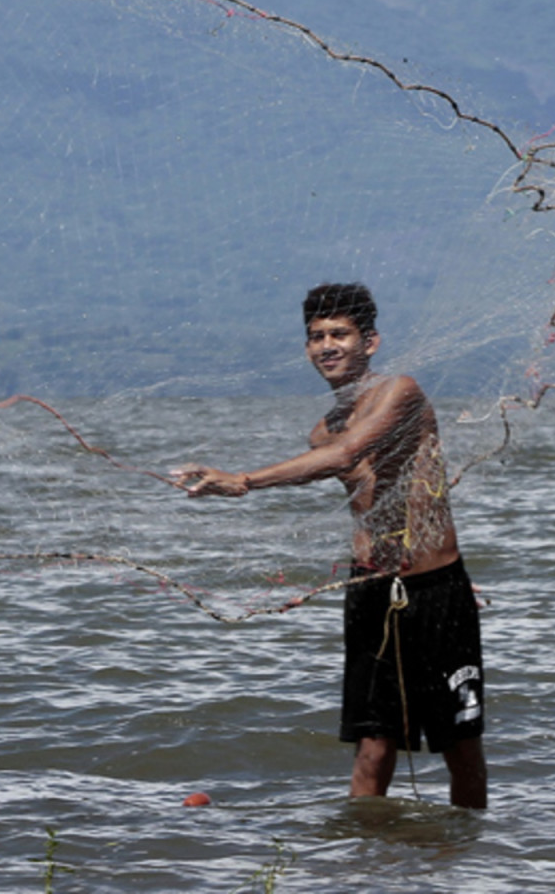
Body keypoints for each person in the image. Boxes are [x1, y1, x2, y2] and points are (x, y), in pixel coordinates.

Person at [174, 282, 487, 810]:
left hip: (435, 592)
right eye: (316, 336)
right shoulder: (322, 430)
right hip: (369, 588)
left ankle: (472, 862)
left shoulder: (400, 392)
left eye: (339, 333)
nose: (327, 345)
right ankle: (365, 865)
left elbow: (348, 455)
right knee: (372, 746)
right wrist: (216, 484)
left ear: (371, 342)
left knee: (460, 747)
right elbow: (328, 462)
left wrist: (244, 481)